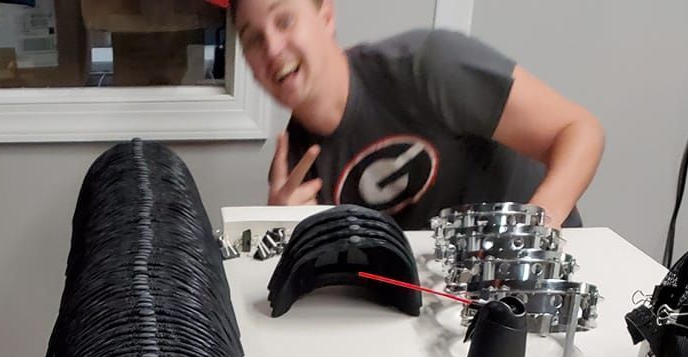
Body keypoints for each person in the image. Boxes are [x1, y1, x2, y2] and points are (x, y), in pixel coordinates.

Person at [230, 0, 604, 229]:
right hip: (441, 306)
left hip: (539, 285)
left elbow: (578, 129)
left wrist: (535, 230)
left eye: (284, 20)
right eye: (253, 39)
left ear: (325, 15)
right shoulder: (296, 169)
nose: (272, 48)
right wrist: (279, 231)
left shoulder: (428, 64)